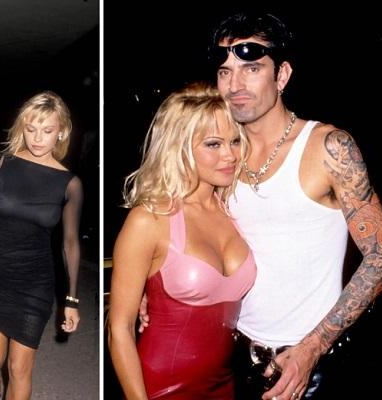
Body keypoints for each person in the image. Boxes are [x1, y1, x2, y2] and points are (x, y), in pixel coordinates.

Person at [141, 12, 382, 400]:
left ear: (282, 75)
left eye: (252, 69)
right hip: (230, 355)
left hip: (307, 367)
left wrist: (312, 349)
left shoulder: (328, 147)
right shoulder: (222, 157)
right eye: (225, 72)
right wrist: (153, 286)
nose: (235, 85)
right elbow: (180, 227)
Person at [108, 82, 257, 399]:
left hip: (224, 385)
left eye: (235, 141)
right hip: (161, 387)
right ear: (180, 146)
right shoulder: (150, 220)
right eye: (213, 144)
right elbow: (119, 329)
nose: (230, 155)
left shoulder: (236, 207)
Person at [0, 91, 83, 400]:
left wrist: (71, 299)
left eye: (47, 130)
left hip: (34, 284)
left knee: (19, 368)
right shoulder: (1, 164)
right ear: (22, 128)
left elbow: (70, 243)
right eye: (31, 129)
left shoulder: (69, 184)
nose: (38, 138)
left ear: (61, 132)